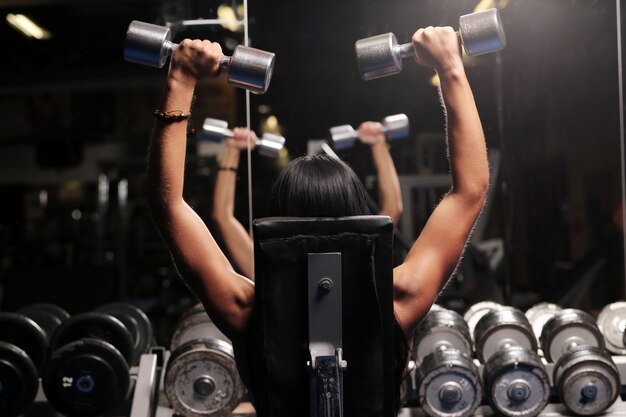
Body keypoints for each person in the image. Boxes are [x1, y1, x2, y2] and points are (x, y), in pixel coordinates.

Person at [147, 25, 488, 413]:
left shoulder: (245, 309)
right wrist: (450, 66)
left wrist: (181, 78)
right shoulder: (398, 298)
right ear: (359, 214)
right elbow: (470, 192)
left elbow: (167, 205)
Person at [211, 123, 404, 279]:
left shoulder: (272, 266)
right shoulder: (362, 257)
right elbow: (392, 210)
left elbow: (223, 216)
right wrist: (378, 144)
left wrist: (233, 150)